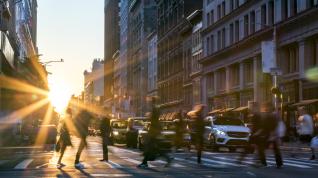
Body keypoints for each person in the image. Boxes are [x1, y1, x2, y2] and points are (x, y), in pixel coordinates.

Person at [138, 96, 171, 168]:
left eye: (150, 101)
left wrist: (149, 117)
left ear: (153, 101)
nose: (149, 102)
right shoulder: (156, 108)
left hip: (154, 131)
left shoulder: (155, 108)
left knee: (150, 147)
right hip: (155, 131)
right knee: (153, 148)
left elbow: (153, 119)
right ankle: (167, 159)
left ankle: (145, 162)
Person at [257, 102, 283, 168]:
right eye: (266, 107)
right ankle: (278, 163)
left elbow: (273, 126)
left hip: (269, 135)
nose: (266, 108)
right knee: (274, 149)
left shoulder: (271, 116)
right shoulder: (269, 115)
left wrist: (272, 136)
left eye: (267, 107)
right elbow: (264, 126)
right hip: (268, 135)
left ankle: (265, 163)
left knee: (262, 148)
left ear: (270, 108)